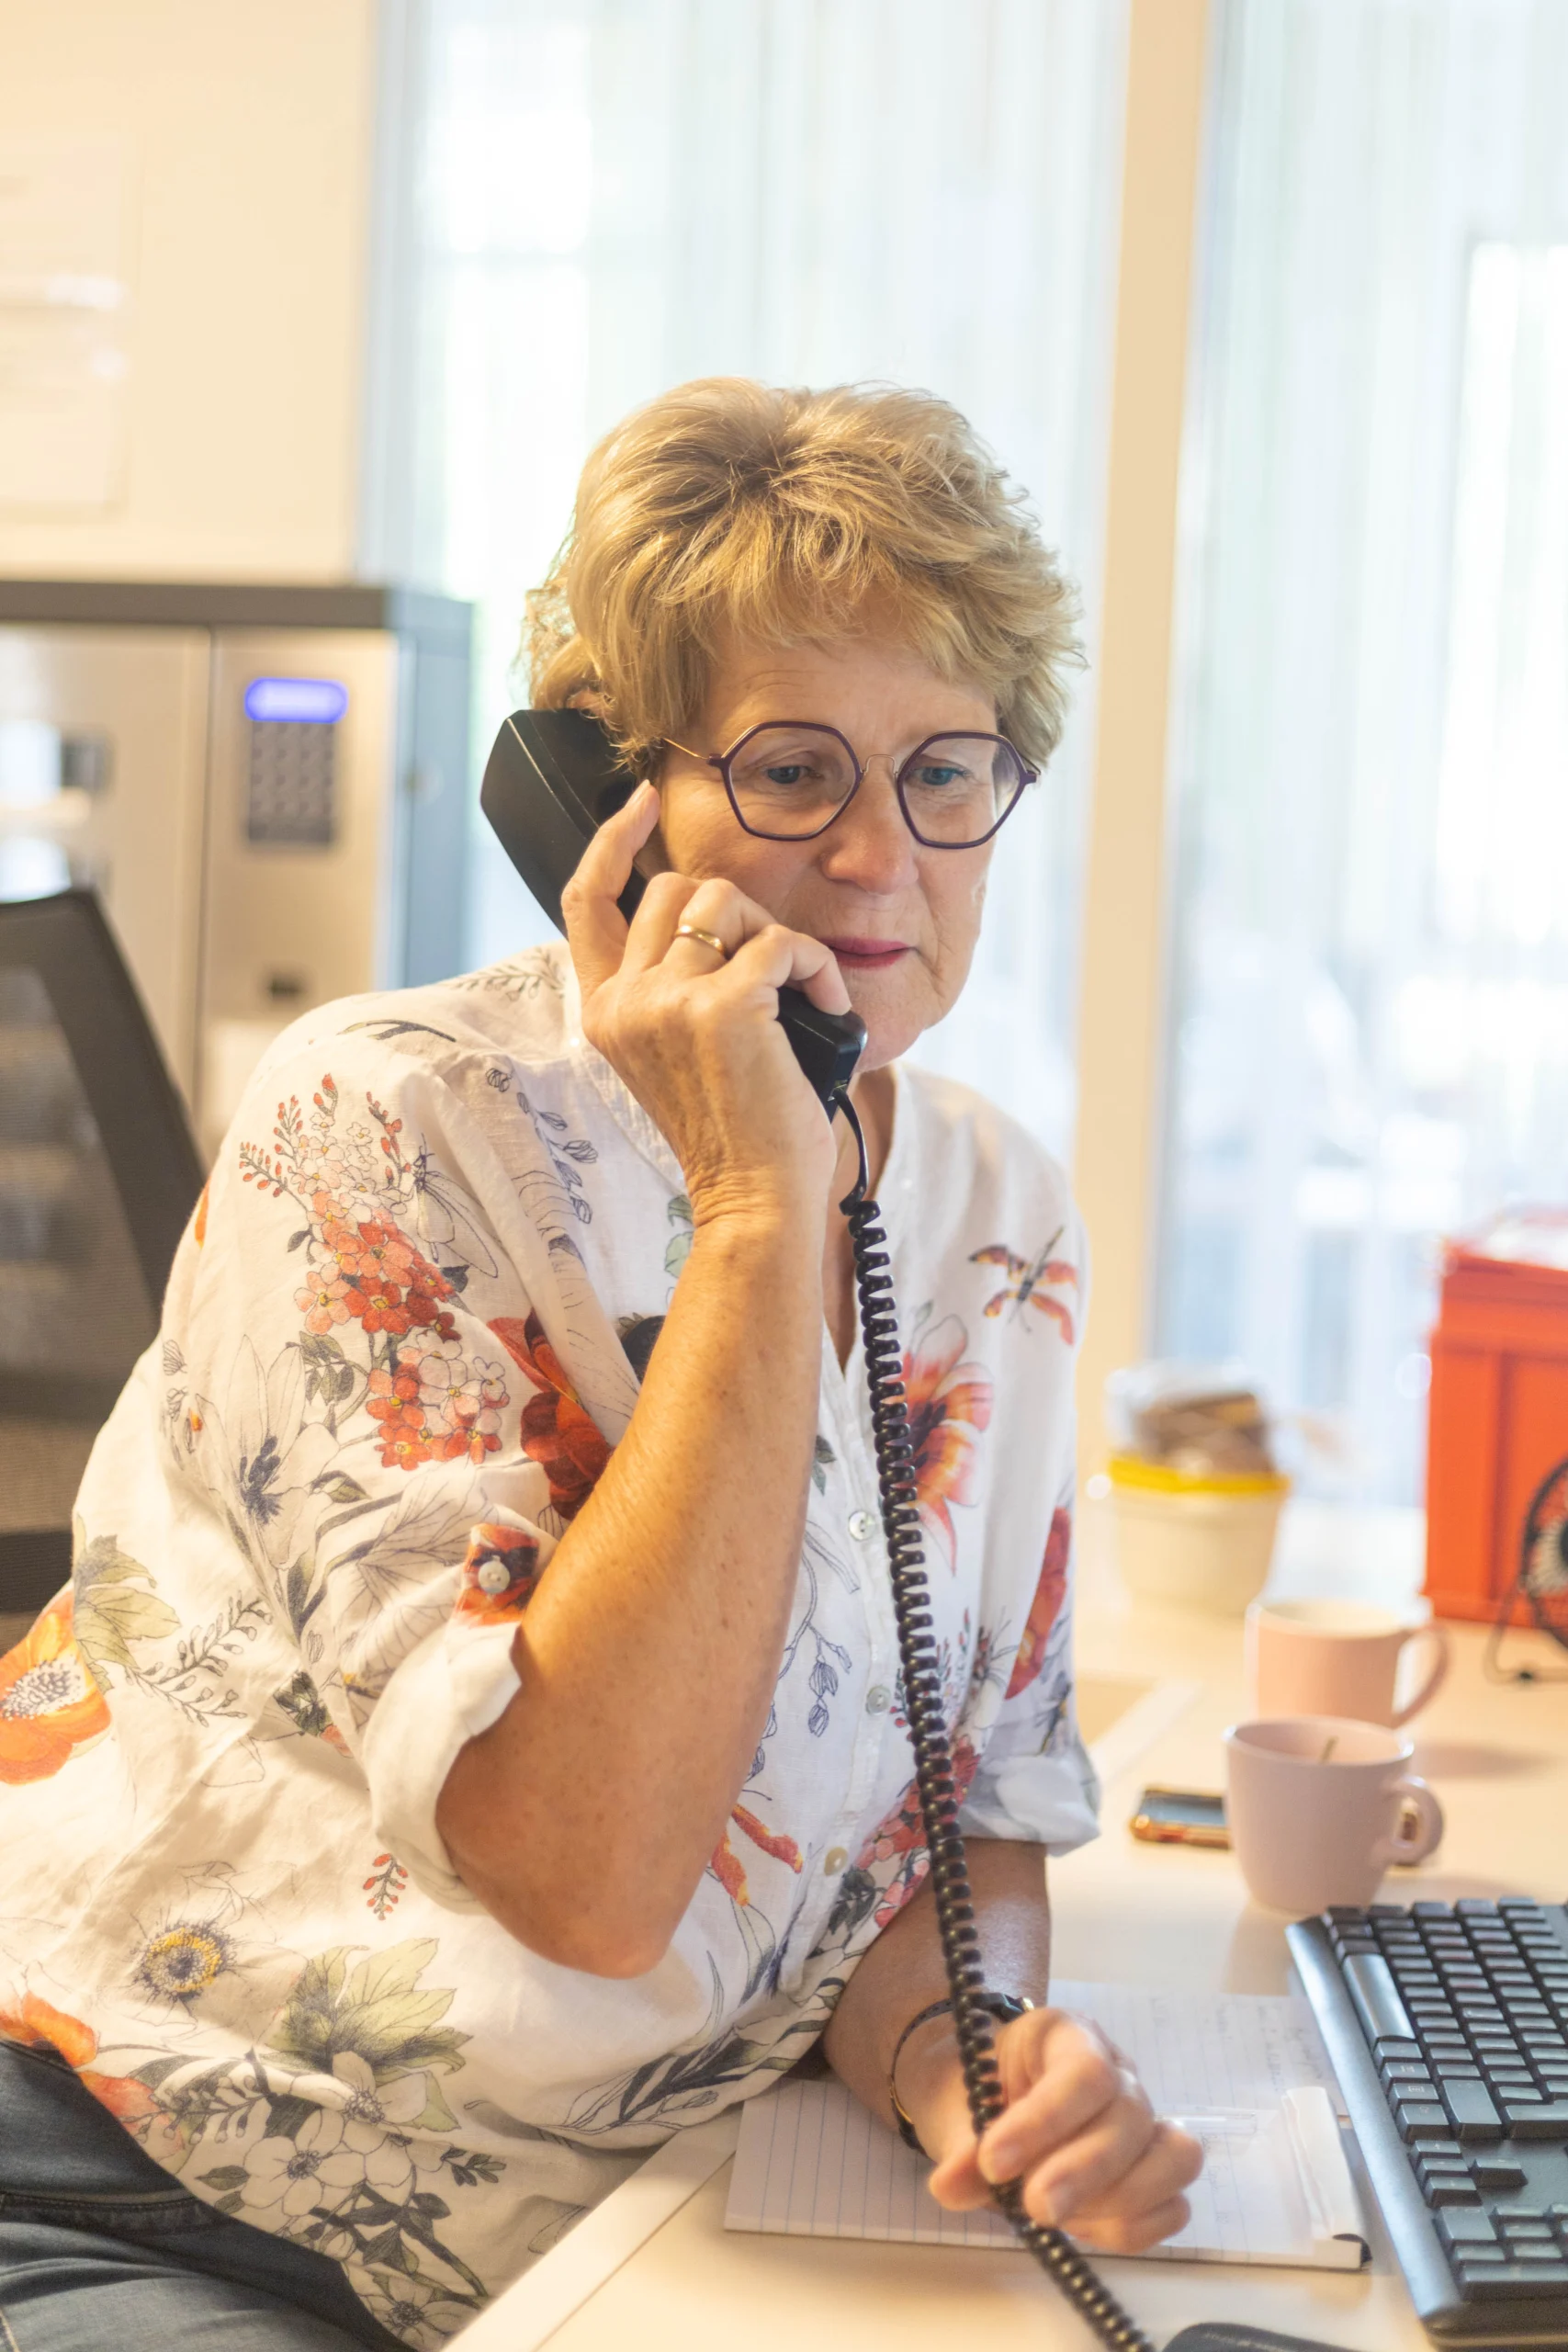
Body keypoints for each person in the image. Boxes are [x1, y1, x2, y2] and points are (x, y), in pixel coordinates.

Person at [0, 379, 1201, 2349]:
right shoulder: (387, 1127)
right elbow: (586, 1874)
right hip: (163, 2178)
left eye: (947, 769)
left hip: (631, 2208)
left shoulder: (991, 1210)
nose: (885, 855)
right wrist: (755, 1202)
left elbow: (947, 1811)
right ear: (611, 802)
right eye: (795, 769)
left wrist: (962, 2065)